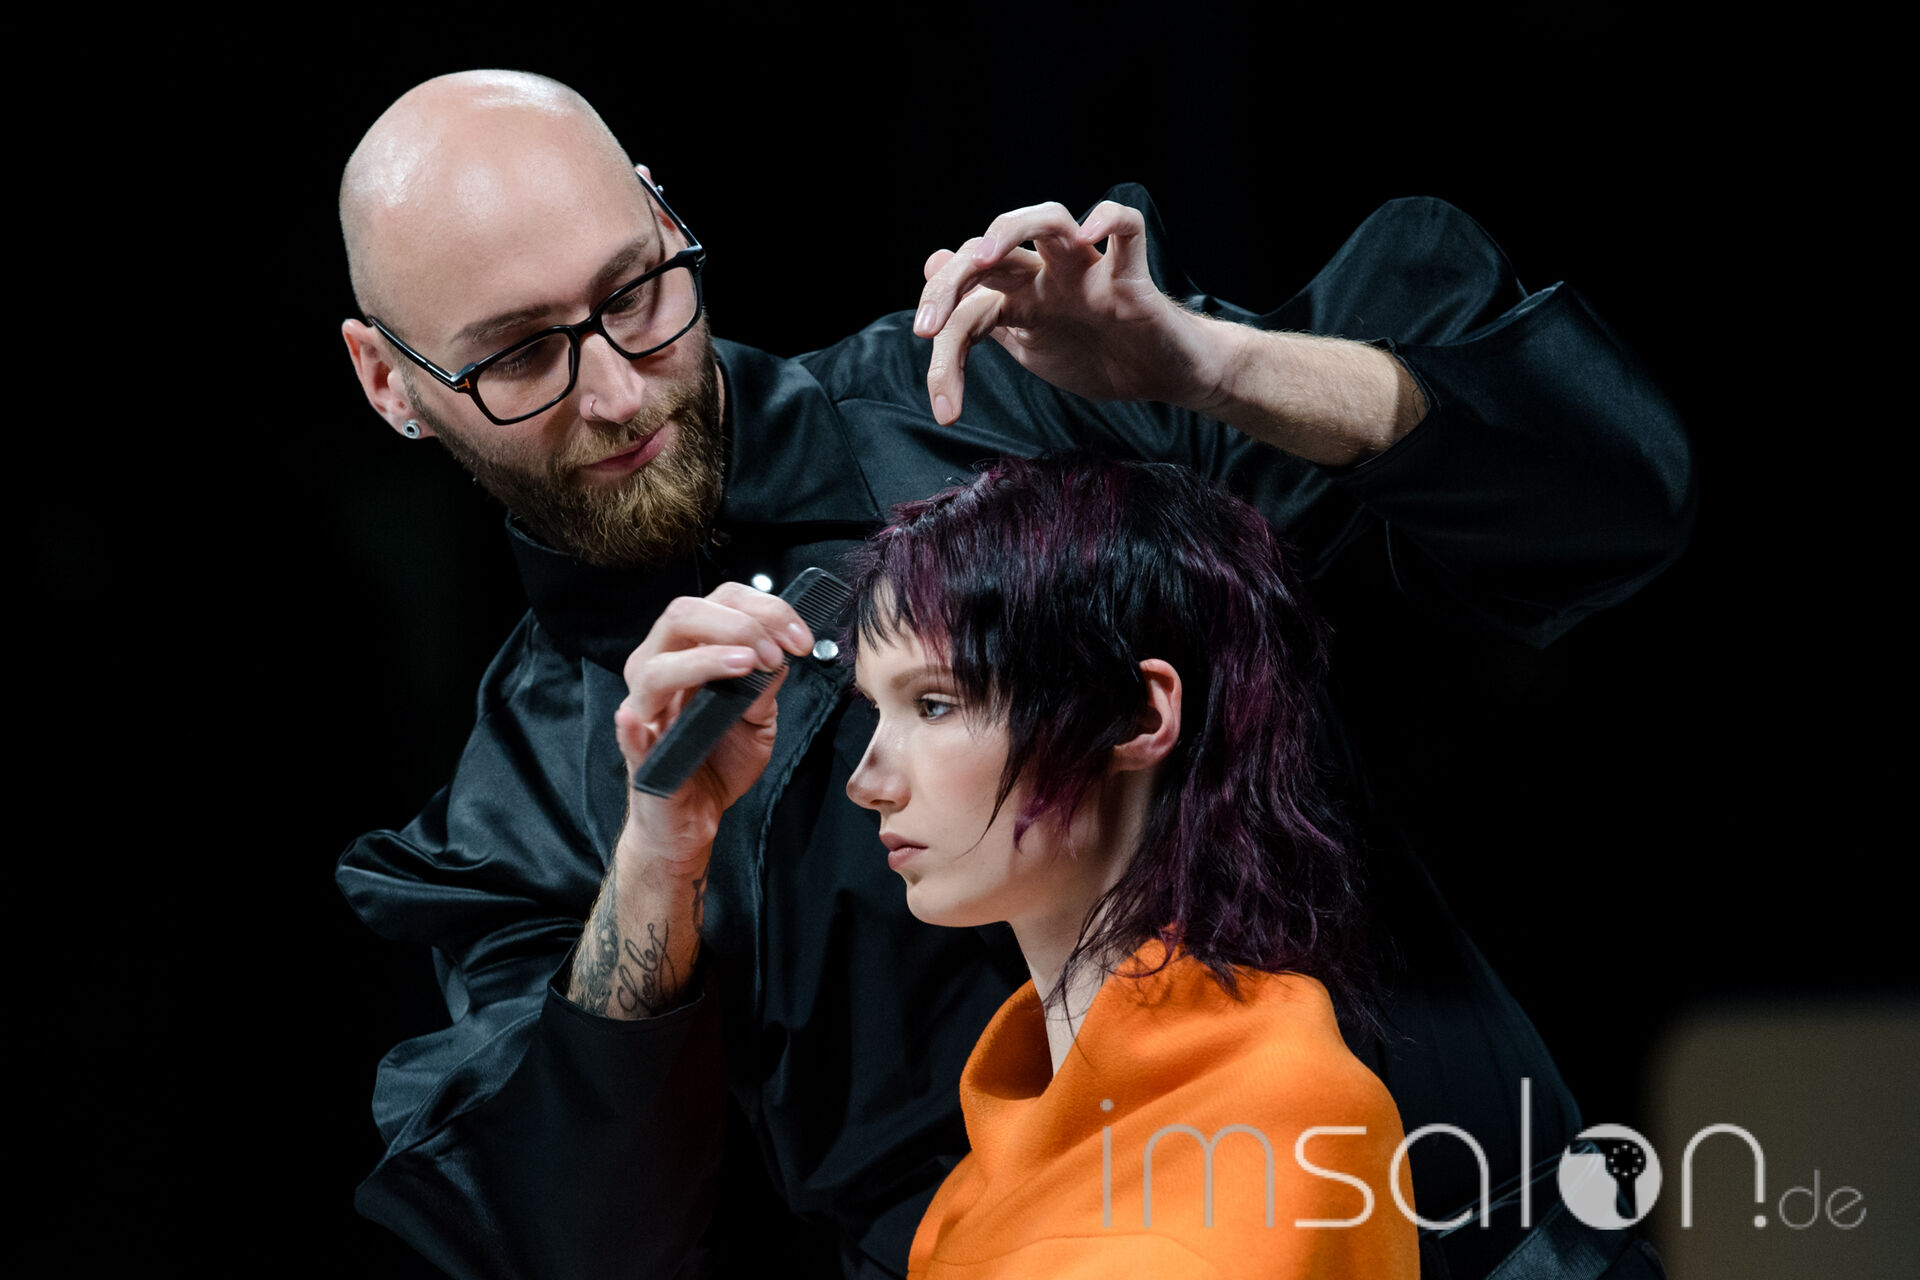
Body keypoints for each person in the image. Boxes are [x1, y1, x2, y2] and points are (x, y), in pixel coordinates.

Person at [333, 69, 1690, 1279]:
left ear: (661, 210)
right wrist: (655, 863)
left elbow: (1607, 504)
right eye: (520, 354)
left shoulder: (1018, 386)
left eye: (636, 291)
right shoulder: (522, 809)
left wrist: (1210, 366)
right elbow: (580, 1239)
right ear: (390, 383)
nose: (620, 389)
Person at [842, 454, 1417, 1277]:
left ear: (1137, 715)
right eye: (876, 709)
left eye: (934, 703)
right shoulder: (979, 1179)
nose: (867, 783)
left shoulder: (1280, 1126)